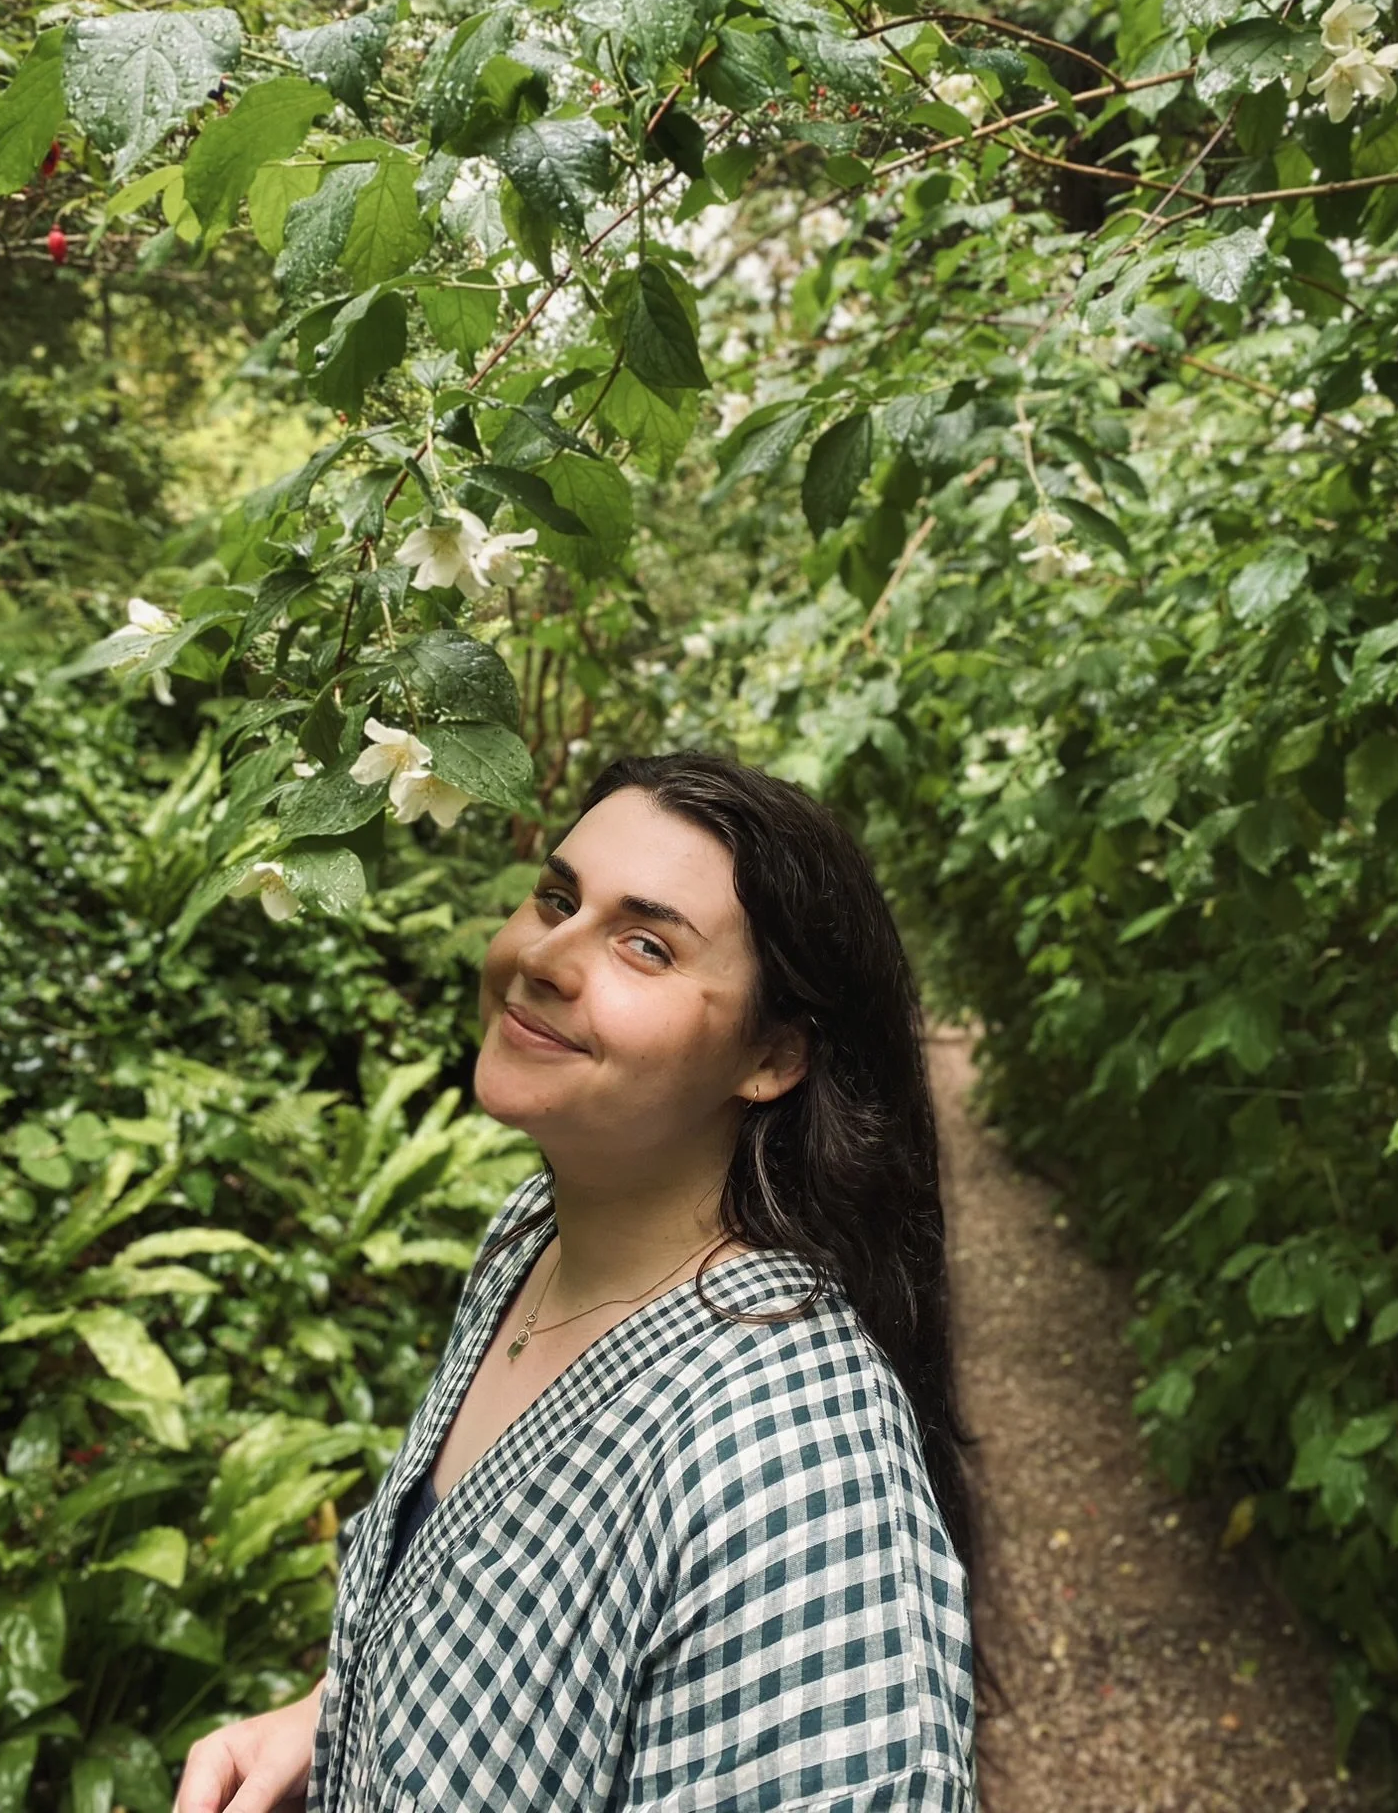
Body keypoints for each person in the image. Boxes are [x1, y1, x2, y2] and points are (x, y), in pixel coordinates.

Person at [173, 750, 1003, 1813]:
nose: (549, 954)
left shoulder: (791, 1455)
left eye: (646, 944)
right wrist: (335, 1719)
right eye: (558, 896)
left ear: (774, 1056)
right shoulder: (535, 1234)